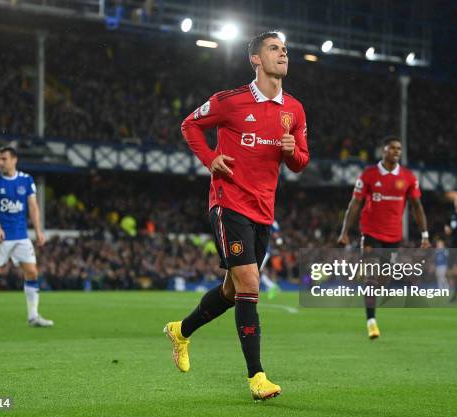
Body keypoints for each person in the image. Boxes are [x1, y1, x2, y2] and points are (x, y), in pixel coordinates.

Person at [164, 31, 309, 401]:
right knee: (249, 283)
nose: (283, 54)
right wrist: (210, 159)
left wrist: (292, 152)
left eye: (284, 50)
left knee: (232, 290)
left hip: (263, 210)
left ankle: (181, 330)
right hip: (229, 202)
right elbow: (189, 125)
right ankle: (257, 377)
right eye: (274, 49)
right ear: (256, 60)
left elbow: (300, 164)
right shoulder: (230, 102)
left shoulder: (294, 109)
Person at [337, 135, 430, 339]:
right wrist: (345, 231)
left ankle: (369, 288)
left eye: (399, 148)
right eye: (392, 148)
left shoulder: (408, 177)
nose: (397, 151)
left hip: (394, 237)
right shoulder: (369, 175)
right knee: (372, 275)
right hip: (370, 233)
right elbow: (355, 204)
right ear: (383, 151)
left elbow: (417, 207)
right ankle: (371, 321)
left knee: (382, 280)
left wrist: (425, 235)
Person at [0, 146, 53, 328]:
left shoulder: (26, 180)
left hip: (21, 236)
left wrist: (38, 230)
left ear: (14, 160)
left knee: (32, 272)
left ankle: (33, 316)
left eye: (4, 159)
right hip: (1, 237)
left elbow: (33, 206)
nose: (0, 162)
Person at [259, 220, 282, 299]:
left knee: (258, 270)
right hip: (260, 249)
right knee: (258, 270)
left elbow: (276, 234)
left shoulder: (270, 221)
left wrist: (278, 239)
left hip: (264, 250)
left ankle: (271, 286)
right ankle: (271, 286)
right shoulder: (268, 220)